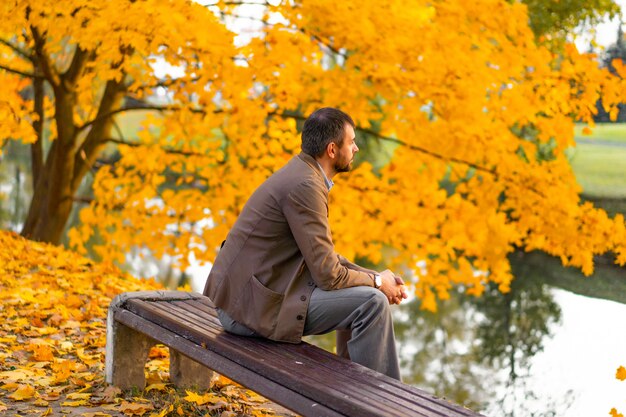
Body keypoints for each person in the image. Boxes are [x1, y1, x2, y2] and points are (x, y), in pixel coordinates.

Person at [204, 107, 408, 380]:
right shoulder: (305, 186)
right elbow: (329, 275)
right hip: (246, 310)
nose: (357, 148)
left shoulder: (303, 173)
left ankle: (356, 392)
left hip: (249, 298)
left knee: (366, 295)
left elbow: (325, 259)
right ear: (333, 150)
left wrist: (376, 277)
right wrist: (378, 284)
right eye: (352, 142)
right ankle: (383, 402)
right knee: (371, 303)